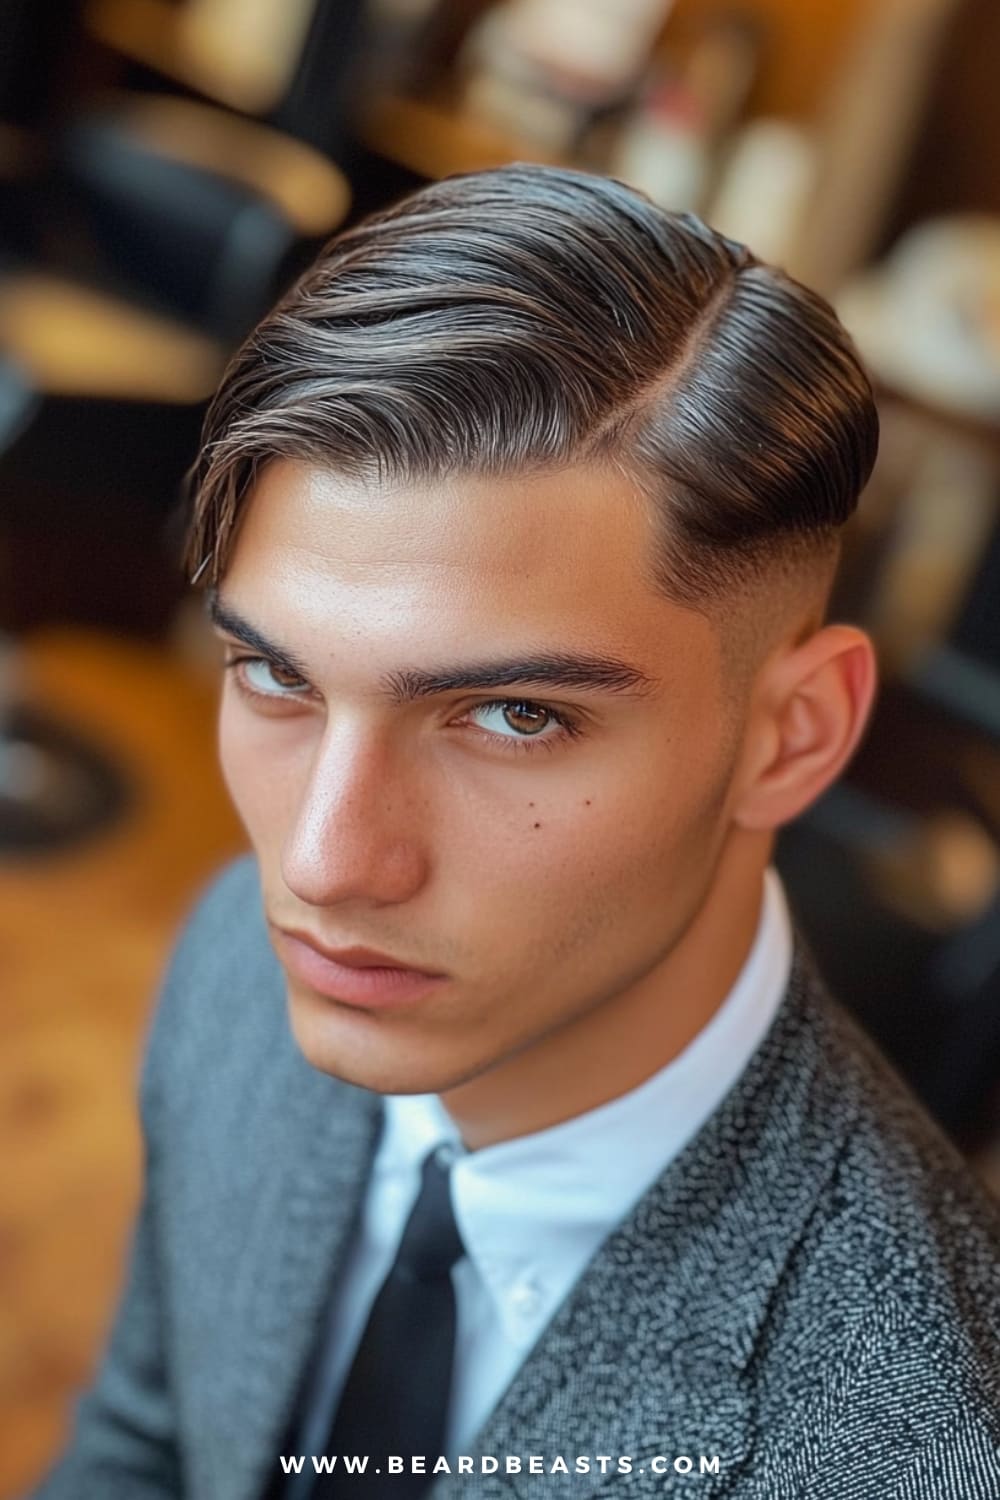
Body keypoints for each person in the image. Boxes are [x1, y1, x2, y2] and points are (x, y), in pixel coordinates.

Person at [31, 164, 1000, 1500]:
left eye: (515, 717)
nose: (319, 865)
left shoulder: (927, 1448)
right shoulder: (235, 976)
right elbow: (148, 1449)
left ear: (793, 736)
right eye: (279, 677)